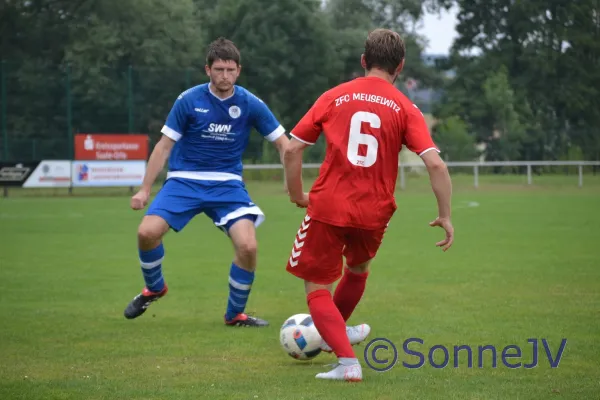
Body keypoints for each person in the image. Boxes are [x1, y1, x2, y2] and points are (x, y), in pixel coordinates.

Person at [282, 28, 454, 381]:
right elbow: (436, 163)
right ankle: (337, 334)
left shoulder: (334, 96)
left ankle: (347, 363)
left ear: (364, 60)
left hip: (329, 206)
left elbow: (292, 148)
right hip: (375, 211)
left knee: (316, 288)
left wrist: (297, 193)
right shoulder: (407, 107)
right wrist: (445, 215)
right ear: (400, 67)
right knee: (357, 270)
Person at [123, 37, 289, 327]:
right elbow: (163, 146)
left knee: (248, 246)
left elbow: (284, 145)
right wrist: (144, 189)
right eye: (219, 69)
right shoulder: (188, 100)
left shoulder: (250, 103)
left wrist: (293, 181)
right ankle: (155, 287)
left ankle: (234, 314)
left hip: (227, 185)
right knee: (146, 233)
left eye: (230, 70)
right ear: (207, 70)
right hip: (183, 181)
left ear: (239, 70)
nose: (225, 76)